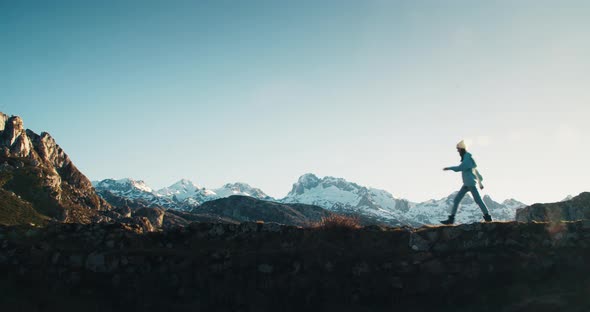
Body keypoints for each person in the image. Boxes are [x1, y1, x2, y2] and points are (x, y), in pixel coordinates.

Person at [441, 140, 492, 225]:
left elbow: (460, 168)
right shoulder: (467, 158)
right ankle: (451, 219)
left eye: (458, 149)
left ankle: (487, 217)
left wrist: (449, 168)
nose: (457, 151)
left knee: (477, 200)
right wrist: (480, 183)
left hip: (470, 184)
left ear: (461, 149)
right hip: (467, 183)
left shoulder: (467, 159)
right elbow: (475, 172)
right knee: (459, 200)